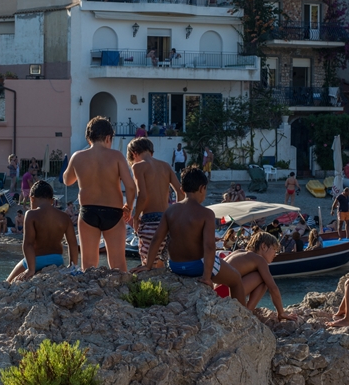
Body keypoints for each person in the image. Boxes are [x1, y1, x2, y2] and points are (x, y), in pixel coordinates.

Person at [133, 168, 247, 306]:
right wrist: (206, 277)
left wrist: (148, 265)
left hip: (174, 265)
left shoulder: (170, 211)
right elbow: (209, 247)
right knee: (235, 279)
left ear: (182, 190)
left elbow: (157, 239)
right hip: (197, 266)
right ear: (202, 188)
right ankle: (243, 314)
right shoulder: (206, 214)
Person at [63, 116, 138, 271]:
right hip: (114, 211)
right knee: (118, 265)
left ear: (88, 138)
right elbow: (130, 187)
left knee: (88, 265)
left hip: (88, 212)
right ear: (108, 137)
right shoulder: (116, 156)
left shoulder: (78, 156)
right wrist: (129, 208)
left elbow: (67, 180)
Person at [6, 180, 79, 282]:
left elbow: (28, 244)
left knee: (8, 282)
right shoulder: (64, 217)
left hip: (36, 261)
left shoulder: (31, 214)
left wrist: (31, 269)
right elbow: (73, 243)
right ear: (52, 200)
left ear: (31, 199)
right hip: (57, 260)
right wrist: (73, 266)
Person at [127, 137, 183, 268]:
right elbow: (180, 193)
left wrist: (135, 217)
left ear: (134, 153)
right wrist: (176, 216)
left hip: (150, 221)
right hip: (167, 220)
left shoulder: (138, 166)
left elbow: (143, 195)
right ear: (151, 152)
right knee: (162, 265)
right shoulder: (165, 165)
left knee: (148, 265)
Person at [219, 232, 298, 319]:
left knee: (261, 276)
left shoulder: (240, 253)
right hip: (226, 294)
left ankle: (246, 309)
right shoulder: (259, 260)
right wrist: (281, 312)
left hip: (216, 293)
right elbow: (273, 288)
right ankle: (247, 312)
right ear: (263, 246)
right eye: (274, 250)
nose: (275, 254)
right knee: (265, 279)